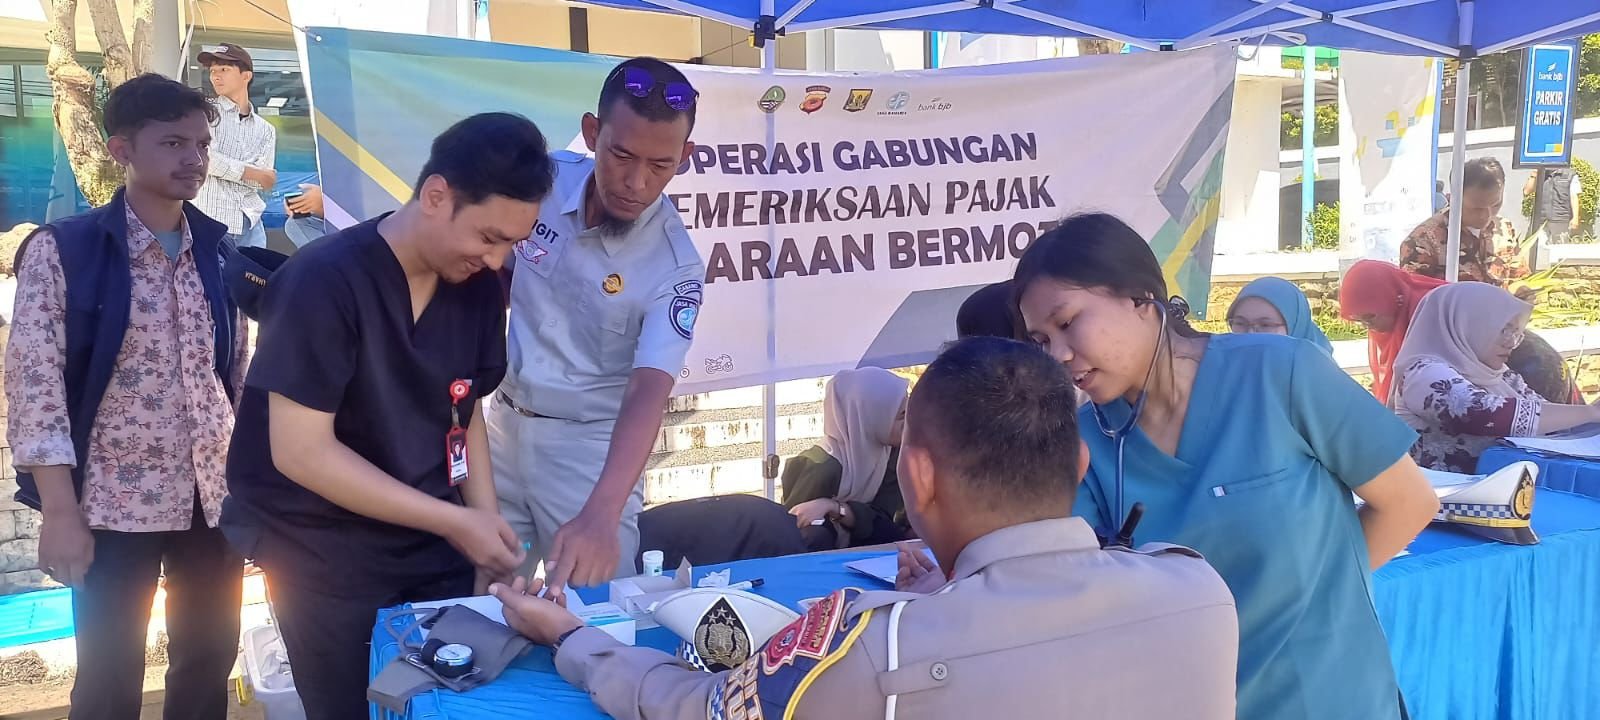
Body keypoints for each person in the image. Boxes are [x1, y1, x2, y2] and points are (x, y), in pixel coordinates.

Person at [490, 337, 1241, 719]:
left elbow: (691, 707)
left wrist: (570, 635)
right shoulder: (1200, 593)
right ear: (1078, 463)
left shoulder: (873, 648)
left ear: (919, 477)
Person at [1014, 213, 1439, 720]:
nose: (1058, 355)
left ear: (1139, 297)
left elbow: (1408, 503)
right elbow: (1075, 583)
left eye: (1066, 323)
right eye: (1041, 341)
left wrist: (1316, 597)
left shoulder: (1281, 372)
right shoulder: (1086, 444)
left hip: (1325, 696)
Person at [220, 113, 551, 719]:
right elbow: (301, 452)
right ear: (436, 196)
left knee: (451, 702)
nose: (496, 259)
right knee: (352, 707)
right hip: (323, 553)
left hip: (432, 547)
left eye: (512, 244)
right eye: (488, 237)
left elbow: (464, 409)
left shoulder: (476, 288)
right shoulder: (322, 282)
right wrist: (456, 522)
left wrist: (485, 526)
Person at [5, 74, 248, 720]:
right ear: (121, 150)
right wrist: (60, 511)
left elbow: (235, 378)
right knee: (109, 678)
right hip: (110, 502)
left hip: (210, 499)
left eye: (201, 144)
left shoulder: (217, 250)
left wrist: (251, 488)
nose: (193, 159)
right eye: (172, 143)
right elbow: (34, 385)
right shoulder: (66, 250)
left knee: (208, 663)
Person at [492, 57, 705, 592]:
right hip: (499, 429)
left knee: (595, 615)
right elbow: (493, 269)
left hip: (587, 457)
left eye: (660, 165)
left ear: (685, 158)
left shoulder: (676, 266)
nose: (636, 182)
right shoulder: (541, 183)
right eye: (621, 155)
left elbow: (648, 390)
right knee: (483, 601)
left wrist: (601, 515)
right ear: (592, 133)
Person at [1393, 282, 1600, 473]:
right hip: (1441, 496)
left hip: (1499, 490)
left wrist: (1589, 417)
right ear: (1468, 325)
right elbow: (1479, 413)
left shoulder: (1500, 375)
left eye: (1516, 333)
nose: (1510, 343)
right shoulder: (1422, 372)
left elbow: (1548, 417)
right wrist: (1590, 413)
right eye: (1503, 331)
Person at [1338, 259, 1579, 405]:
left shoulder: (1430, 335)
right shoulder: (1427, 370)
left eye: (1370, 317)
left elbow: (1491, 413)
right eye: (1359, 321)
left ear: (1395, 300)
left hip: (1532, 365)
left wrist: (1587, 416)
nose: (1368, 327)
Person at [782, 367, 912, 551]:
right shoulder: (820, 466)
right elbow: (795, 533)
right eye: (901, 416)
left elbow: (887, 527)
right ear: (870, 417)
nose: (909, 423)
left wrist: (835, 508)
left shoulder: (890, 454)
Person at [193, 43, 276, 249]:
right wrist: (252, 172)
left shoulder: (266, 129)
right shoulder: (204, 114)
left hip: (251, 221)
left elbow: (264, 181)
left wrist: (255, 175)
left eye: (224, 69)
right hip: (210, 218)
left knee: (257, 271)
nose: (216, 76)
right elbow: (204, 159)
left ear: (246, 76)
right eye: (213, 71)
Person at [1400, 157, 1525, 285]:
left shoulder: (1504, 228)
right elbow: (1414, 293)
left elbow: (1520, 280)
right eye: (1477, 208)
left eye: (1495, 205)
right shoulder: (1423, 240)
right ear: (1454, 198)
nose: (1487, 215)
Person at [1226, 276, 1333, 354]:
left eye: (1265, 325)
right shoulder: (1222, 369)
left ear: (1295, 326)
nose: (1250, 334)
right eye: (1240, 323)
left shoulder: (1320, 375)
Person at [1525, 167, 1583, 244]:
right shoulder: (1541, 173)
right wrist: (1534, 175)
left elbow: (1574, 196)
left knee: (1560, 249)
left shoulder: (1570, 174)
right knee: (1540, 248)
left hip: (1560, 219)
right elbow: (1527, 191)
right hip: (1541, 220)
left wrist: (1575, 218)